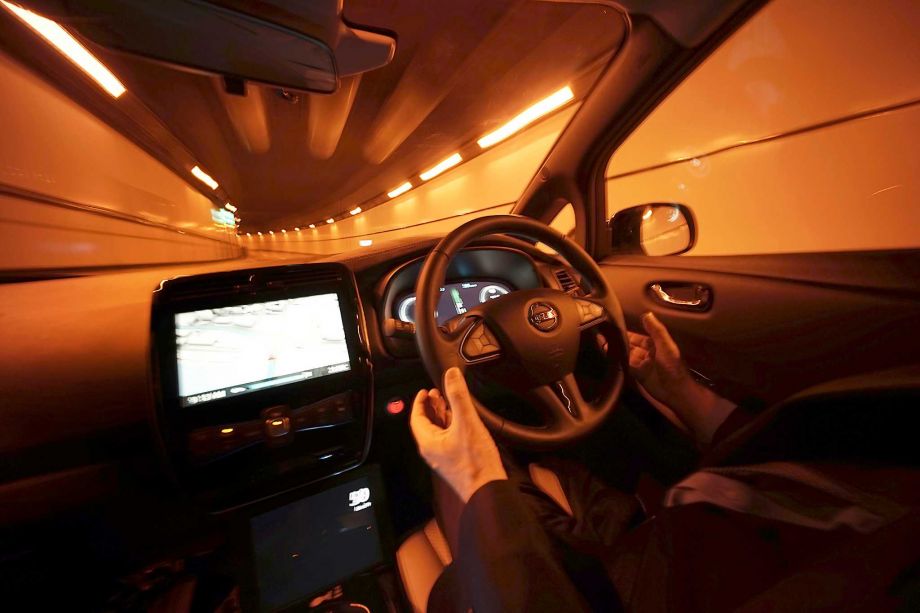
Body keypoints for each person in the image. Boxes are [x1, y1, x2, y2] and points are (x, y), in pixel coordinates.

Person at [409, 314, 920, 612]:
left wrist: (477, 477)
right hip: (685, 532)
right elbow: (792, 462)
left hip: (623, 596)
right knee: (561, 485)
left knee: (475, 509)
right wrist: (681, 390)